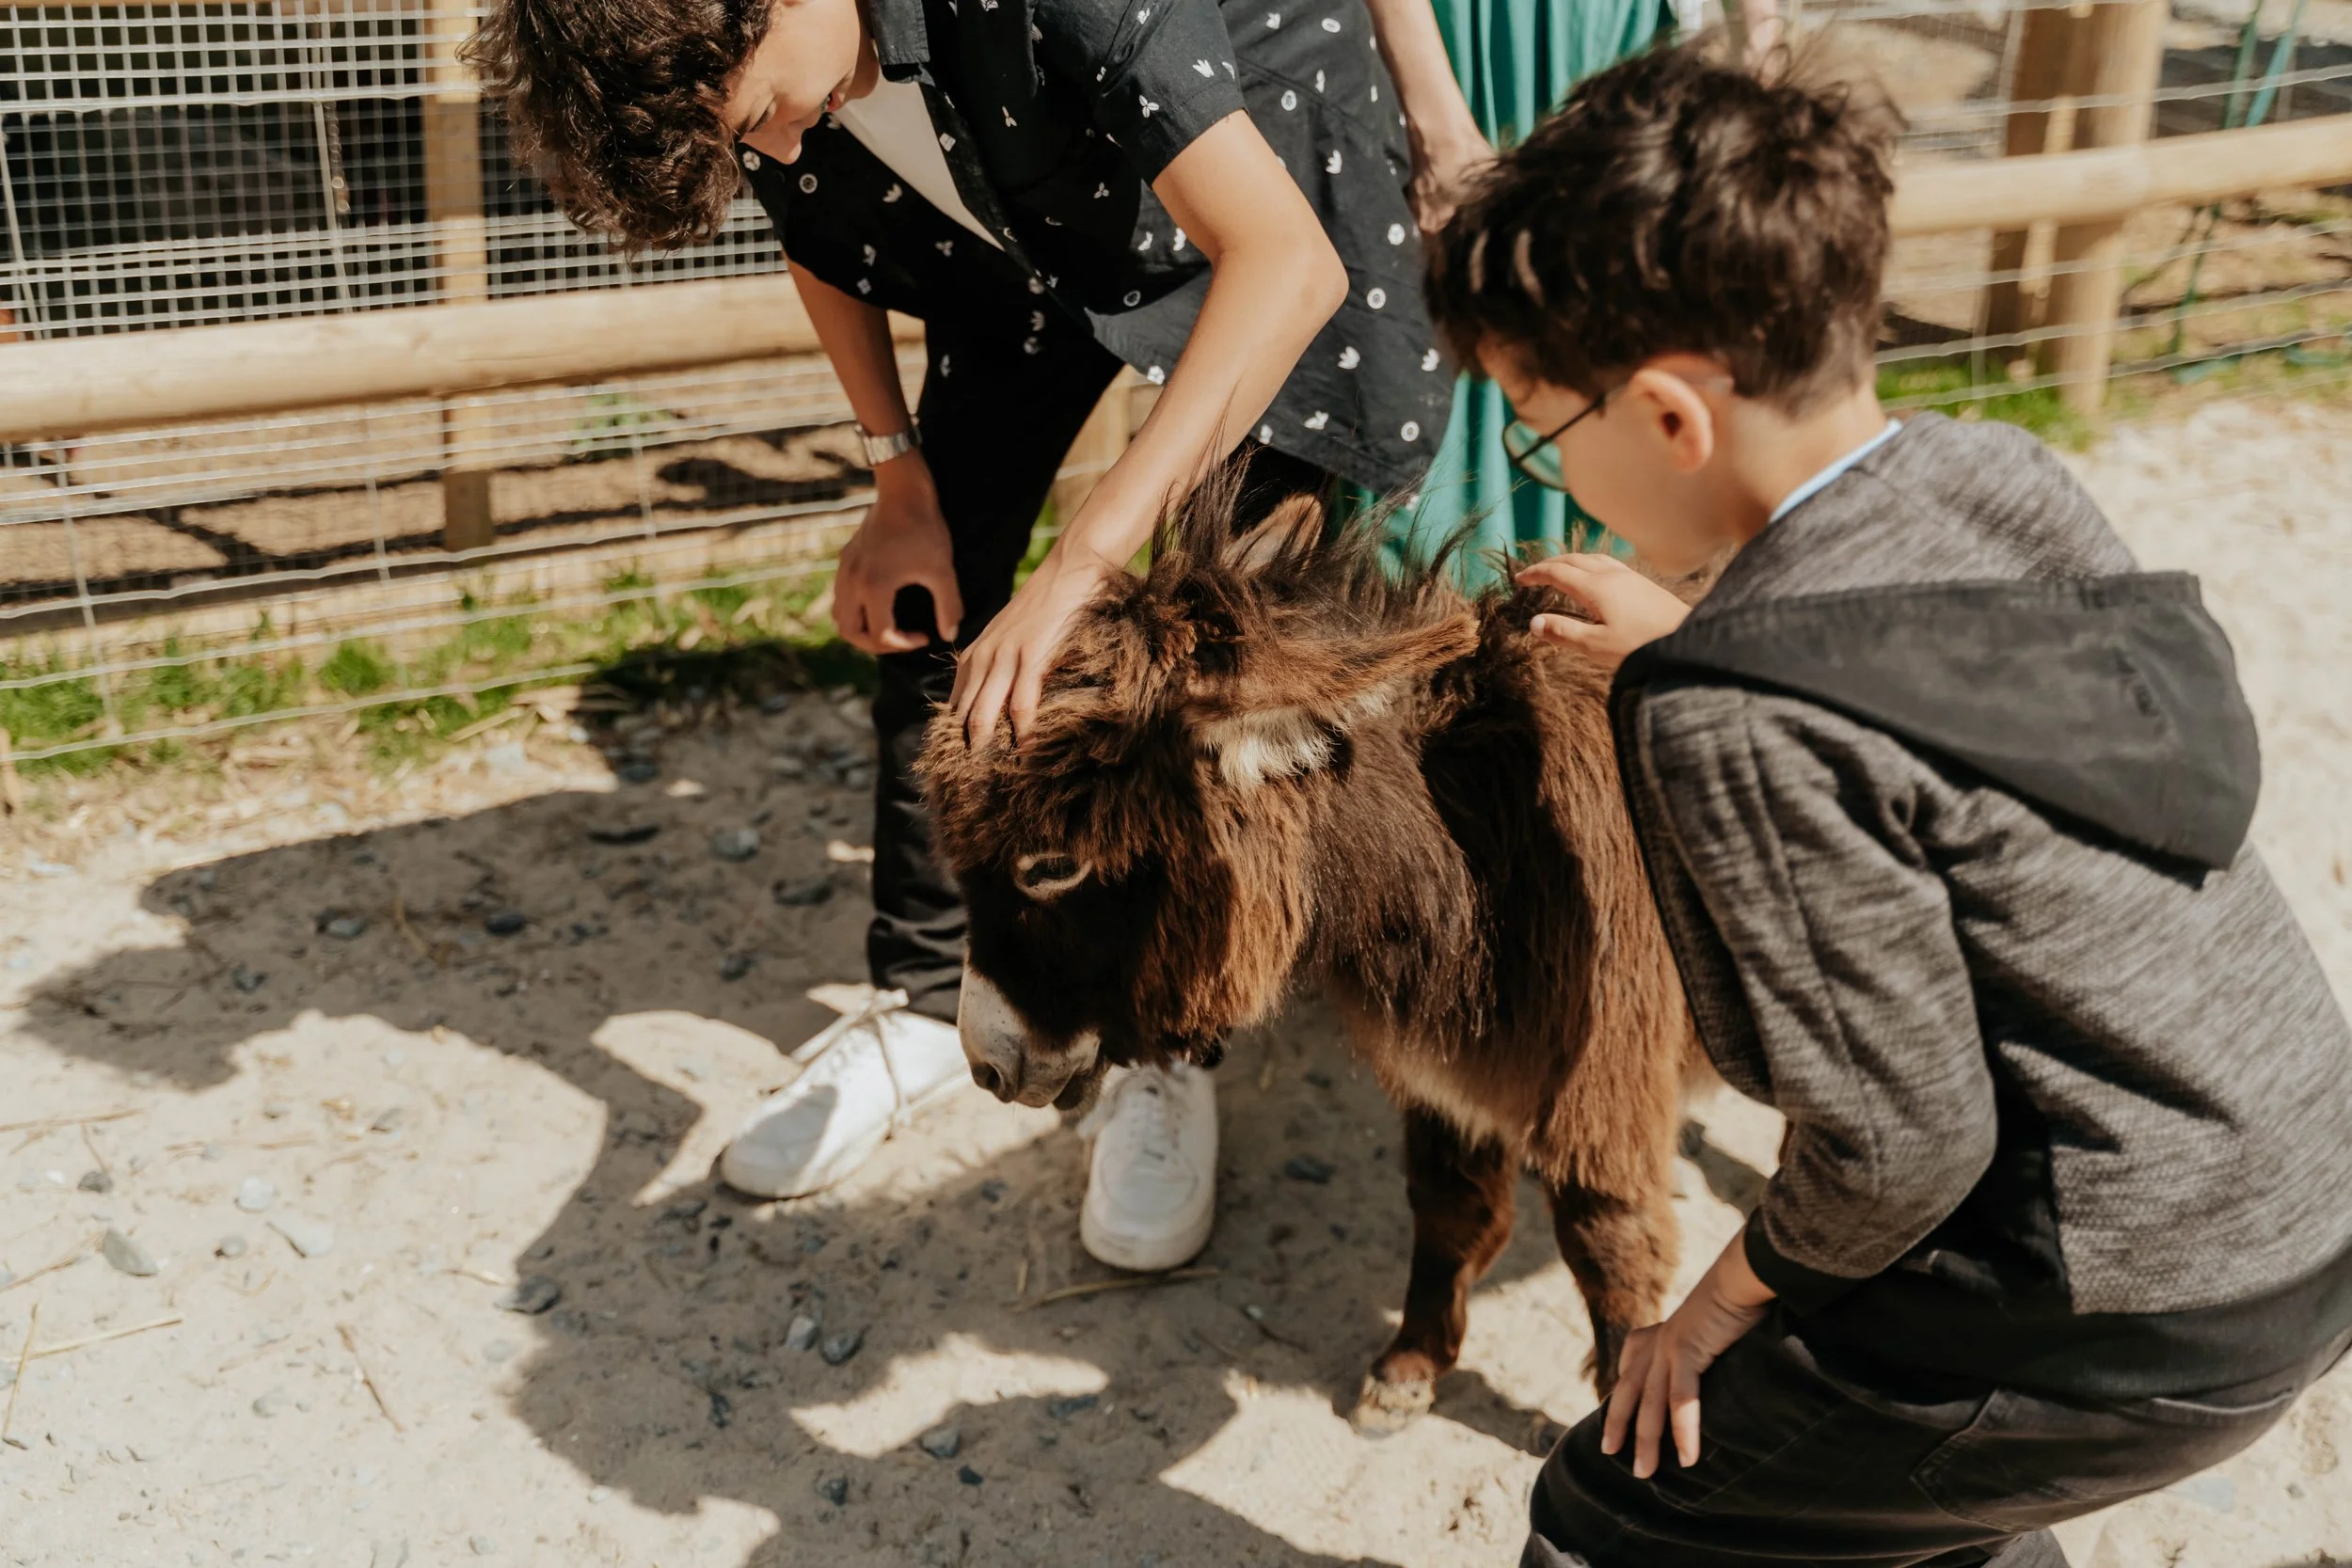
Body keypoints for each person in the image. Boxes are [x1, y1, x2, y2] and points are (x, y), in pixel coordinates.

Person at [1424, 43, 2352, 1568]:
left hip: (2130, 1294)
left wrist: (1706, 1307)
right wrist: (1693, 634)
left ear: (1666, 416)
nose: (1559, 477)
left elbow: (1896, 1146)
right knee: (1887, 1489)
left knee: (1613, 1509)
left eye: (1545, 427)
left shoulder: (1733, 718)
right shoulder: (2000, 474)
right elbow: (1951, 684)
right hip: (2295, 1192)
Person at [467, 0, 1463, 1268]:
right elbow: (822, 231)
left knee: (1207, 647)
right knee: (931, 589)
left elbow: (1285, 264)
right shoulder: (777, 89)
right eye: (742, 145)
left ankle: (1165, 1041)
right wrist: (895, 479)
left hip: (1257, 186)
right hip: (1005, 228)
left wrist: (1088, 563)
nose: (772, 147)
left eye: (760, 110)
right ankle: (924, 994)